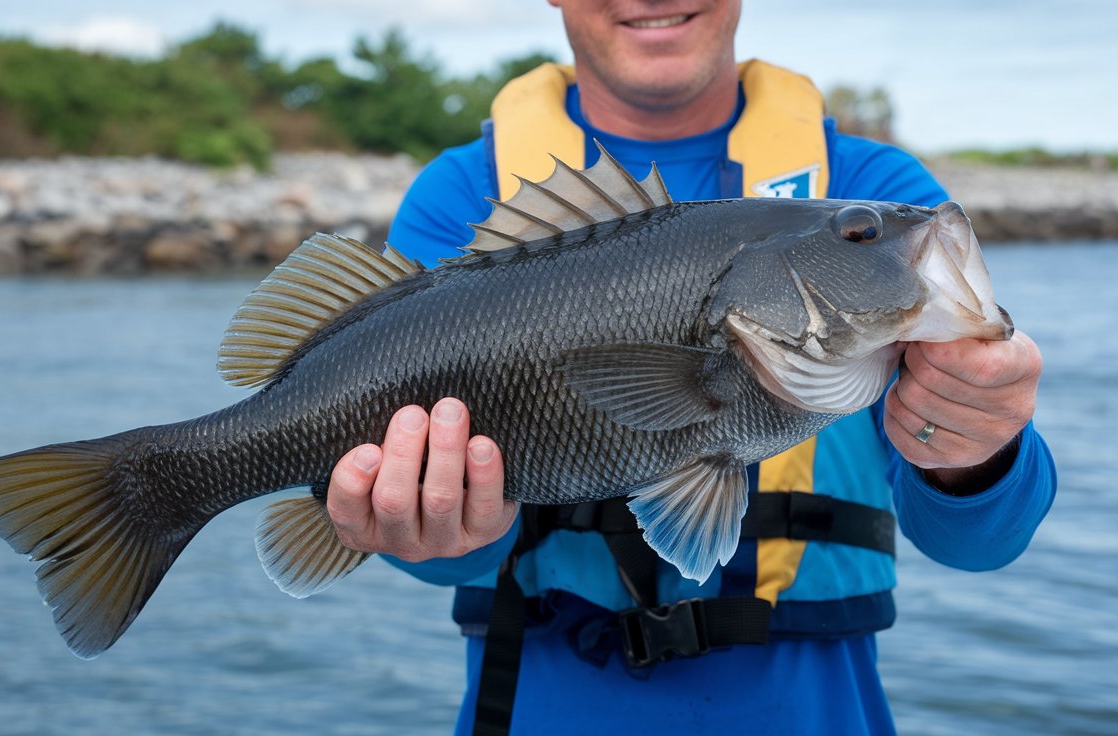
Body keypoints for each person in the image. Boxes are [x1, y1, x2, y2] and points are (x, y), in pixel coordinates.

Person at [323, 2, 1056, 733]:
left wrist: (975, 449)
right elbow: (436, 563)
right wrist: (430, 533)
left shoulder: (878, 187)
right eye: (863, 236)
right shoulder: (461, 198)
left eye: (860, 237)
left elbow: (980, 541)